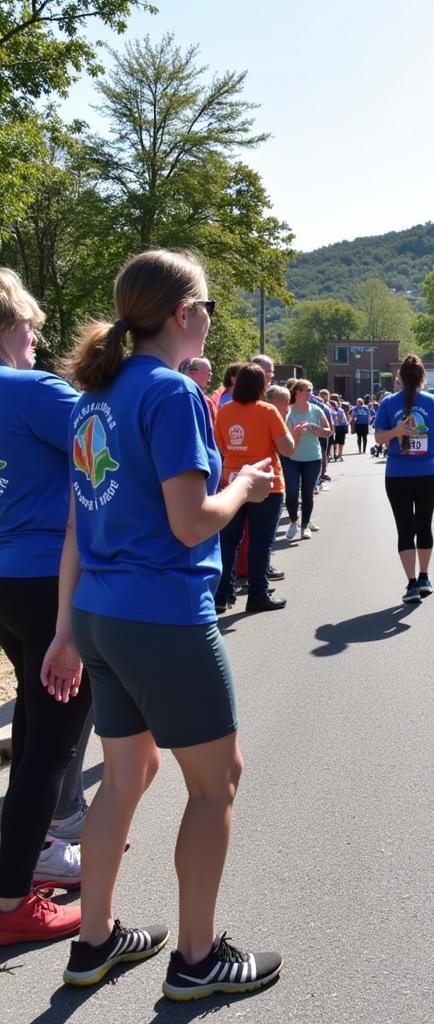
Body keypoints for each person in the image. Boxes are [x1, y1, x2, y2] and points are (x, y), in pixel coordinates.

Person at [43, 249, 281, 995]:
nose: (210, 318)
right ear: (183, 315)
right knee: (217, 784)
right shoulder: (172, 395)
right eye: (207, 306)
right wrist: (242, 484)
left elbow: (79, 528)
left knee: (127, 775)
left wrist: (63, 632)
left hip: (99, 617)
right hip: (162, 616)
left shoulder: (94, 396)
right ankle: (199, 959)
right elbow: (189, 523)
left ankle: (95, 940)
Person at [0, 269, 93, 946]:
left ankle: (28, 853)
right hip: (46, 580)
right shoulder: (32, 390)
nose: (36, 335)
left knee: (36, 721)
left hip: (4, 584)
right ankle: (12, 895)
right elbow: (111, 458)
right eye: (28, 323)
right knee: (53, 741)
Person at [213, 363, 294, 614]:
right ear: (262, 386)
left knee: (229, 540)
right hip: (266, 483)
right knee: (260, 541)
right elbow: (288, 448)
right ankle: (257, 594)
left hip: (233, 481)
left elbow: (220, 445)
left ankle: (222, 595)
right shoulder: (268, 411)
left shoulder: (225, 411)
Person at [373, 354, 434, 603]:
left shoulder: (387, 403)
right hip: (427, 472)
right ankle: (425, 576)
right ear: (422, 377)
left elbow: (378, 438)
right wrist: (420, 431)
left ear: (400, 378)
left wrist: (397, 431)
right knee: (423, 525)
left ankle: (412, 583)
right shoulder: (433, 401)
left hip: (397, 474)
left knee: (405, 528)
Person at [282, 379, 331, 540]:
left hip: (312, 457)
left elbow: (328, 431)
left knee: (308, 493)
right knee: (292, 492)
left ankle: (305, 526)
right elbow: (280, 433)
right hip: (291, 456)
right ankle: (293, 522)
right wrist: (293, 432)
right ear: (297, 392)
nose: (310, 393)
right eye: (306, 390)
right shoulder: (288, 411)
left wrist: (315, 429)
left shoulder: (316, 410)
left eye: (311, 390)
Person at [182, 357, 217, 423]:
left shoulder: (172, 396)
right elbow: (213, 431)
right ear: (192, 373)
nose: (210, 375)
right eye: (208, 372)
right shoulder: (206, 403)